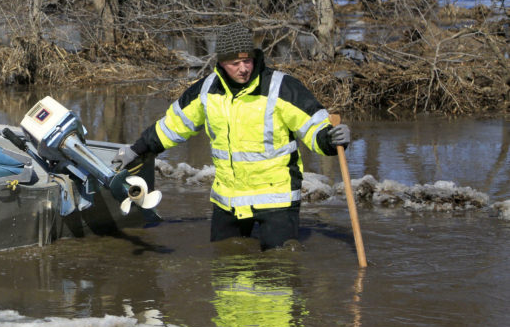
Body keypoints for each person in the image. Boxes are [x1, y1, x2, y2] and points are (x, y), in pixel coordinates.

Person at [113, 23, 352, 250]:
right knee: (224, 267)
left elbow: (313, 127)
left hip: (277, 200)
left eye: (247, 60)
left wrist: (330, 139)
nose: (244, 68)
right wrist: (137, 151)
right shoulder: (207, 90)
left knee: (279, 273)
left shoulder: (281, 88)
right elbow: (172, 127)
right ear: (221, 62)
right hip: (228, 200)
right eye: (235, 63)